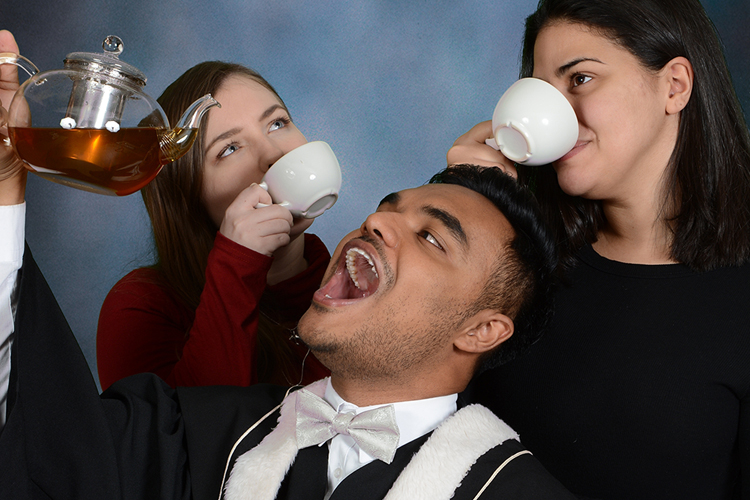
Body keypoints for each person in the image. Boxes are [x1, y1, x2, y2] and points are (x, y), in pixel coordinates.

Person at [0, 155, 578, 499]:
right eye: (388, 206)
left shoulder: (509, 491)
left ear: (481, 331)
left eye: (431, 237)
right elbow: (42, 446)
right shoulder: (199, 437)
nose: (374, 218)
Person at [448, 1, 750, 499]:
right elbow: (397, 405)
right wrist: (464, 217)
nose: (556, 112)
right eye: (542, 92)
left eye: (581, 79)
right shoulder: (520, 261)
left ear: (674, 85)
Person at [96, 60, 331, 390]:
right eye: (230, 148)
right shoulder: (141, 306)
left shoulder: (358, 286)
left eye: (277, 123)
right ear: (190, 196)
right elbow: (179, 435)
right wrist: (237, 264)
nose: (273, 154)